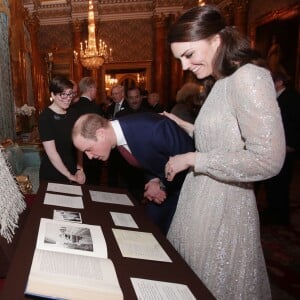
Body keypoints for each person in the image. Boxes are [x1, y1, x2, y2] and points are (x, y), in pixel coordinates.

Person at [163, 5, 285, 300]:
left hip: (225, 206)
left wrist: (193, 159)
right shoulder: (220, 83)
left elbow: (268, 159)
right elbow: (222, 139)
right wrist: (184, 126)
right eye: (179, 59)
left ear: (216, 40)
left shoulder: (250, 77)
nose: (183, 66)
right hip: (199, 198)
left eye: (188, 54)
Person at [72, 112, 194, 235]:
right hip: (161, 187)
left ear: (101, 134)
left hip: (188, 194)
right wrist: (153, 180)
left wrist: (162, 186)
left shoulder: (155, 129)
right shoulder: (117, 132)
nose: (90, 156)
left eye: (88, 149)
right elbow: (150, 158)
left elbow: (189, 163)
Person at [262, 71, 300, 225]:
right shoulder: (274, 98)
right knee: (272, 182)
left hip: (287, 147)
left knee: (282, 183)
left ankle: (281, 216)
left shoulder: (292, 98)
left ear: (279, 82)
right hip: (275, 147)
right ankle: (273, 211)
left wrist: (293, 144)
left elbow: (296, 124)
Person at [38, 75, 85, 184]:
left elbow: (80, 145)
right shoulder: (45, 118)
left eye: (70, 94)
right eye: (63, 94)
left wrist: (79, 168)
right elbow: (52, 153)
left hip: (72, 167)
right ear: (53, 95)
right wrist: (69, 175)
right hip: (53, 172)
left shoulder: (73, 113)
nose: (68, 98)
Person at [72, 76, 104, 185]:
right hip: (92, 153)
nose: (96, 91)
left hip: (75, 152)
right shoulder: (95, 108)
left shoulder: (73, 106)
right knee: (93, 184)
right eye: (95, 88)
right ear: (91, 88)